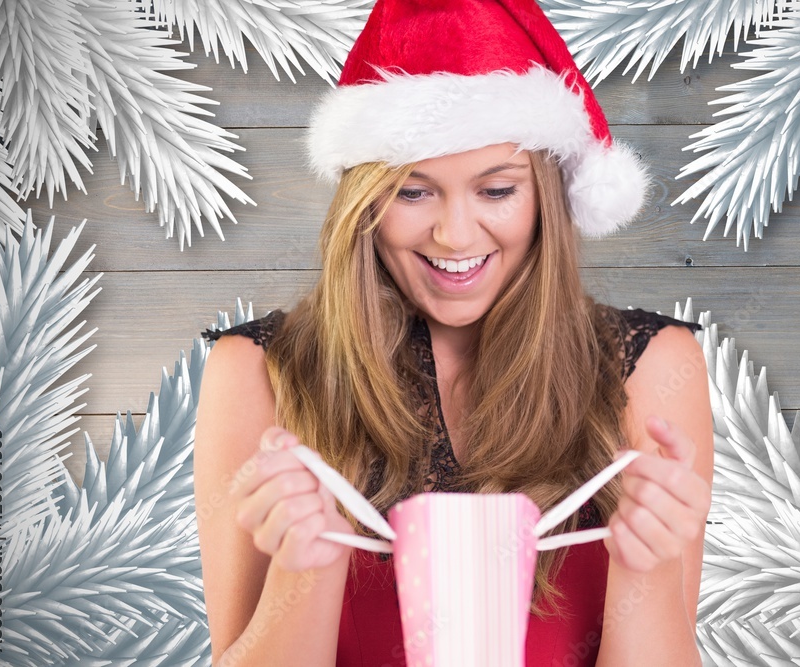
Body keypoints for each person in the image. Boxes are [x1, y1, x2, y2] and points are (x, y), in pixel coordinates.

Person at [193, 1, 713, 665]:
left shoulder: (649, 370)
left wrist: (650, 570)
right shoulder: (257, 373)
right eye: (414, 192)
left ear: (546, 198)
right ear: (365, 203)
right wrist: (306, 571)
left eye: (496, 190)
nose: (455, 235)